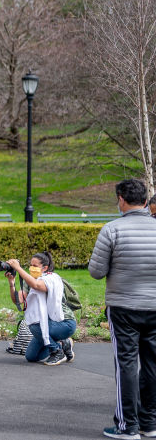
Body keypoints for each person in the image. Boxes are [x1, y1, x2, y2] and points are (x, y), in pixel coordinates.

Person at [90, 178, 156, 440]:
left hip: (123, 307)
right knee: (152, 364)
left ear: (121, 199)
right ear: (145, 200)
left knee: (126, 364)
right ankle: (149, 423)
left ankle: (127, 425)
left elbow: (96, 272)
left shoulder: (111, 230)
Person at [4, 251, 76, 366]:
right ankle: (63, 344)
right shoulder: (30, 280)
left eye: (35, 266)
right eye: (30, 265)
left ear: (45, 268)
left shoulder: (52, 278)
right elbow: (19, 300)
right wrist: (11, 283)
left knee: (33, 324)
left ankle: (57, 351)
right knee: (31, 356)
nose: (31, 268)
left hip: (64, 323)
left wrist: (18, 268)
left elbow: (37, 285)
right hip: (45, 324)